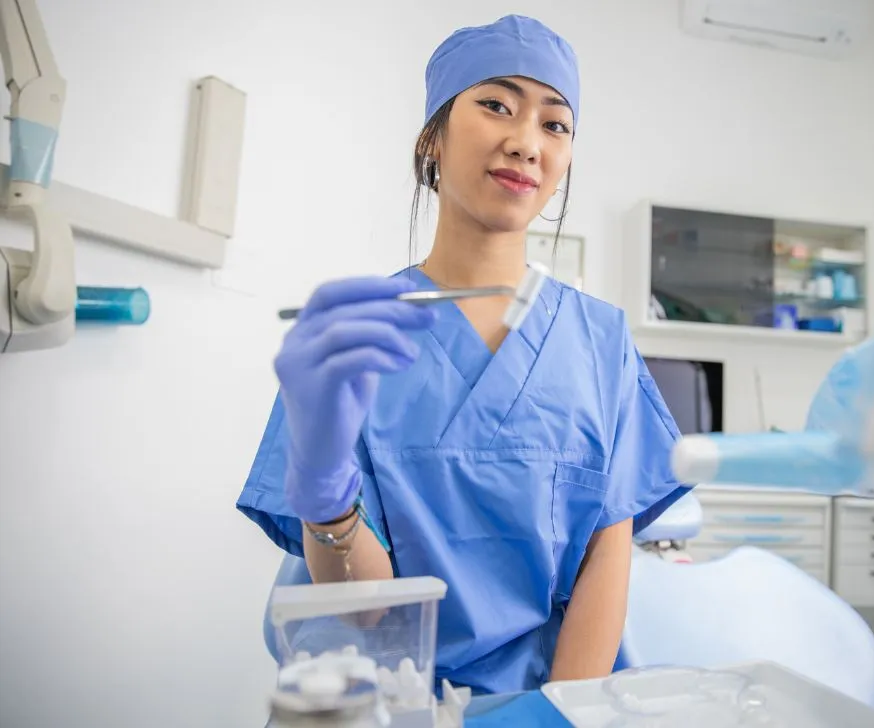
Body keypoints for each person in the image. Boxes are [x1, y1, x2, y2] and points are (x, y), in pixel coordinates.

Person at [237, 14, 690, 696]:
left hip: (556, 698)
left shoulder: (601, 341)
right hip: (388, 698)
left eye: (555, 124)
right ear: (432, 141)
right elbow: (368, 613)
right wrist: (325, 494)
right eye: (496, 106)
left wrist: (555, 717)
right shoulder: (355, 340)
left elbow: (606, 558)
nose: (526, 142)